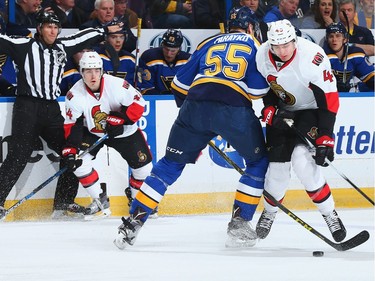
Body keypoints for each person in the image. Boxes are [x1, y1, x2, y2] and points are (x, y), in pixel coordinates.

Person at [113, 6, 270, 250]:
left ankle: (132, 223)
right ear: (251, 27)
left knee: (169, 165)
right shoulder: (255, 45)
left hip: (193, 107)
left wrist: (195, 118)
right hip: (232, 110)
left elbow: (179, 84)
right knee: (258, 163)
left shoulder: (208, 42)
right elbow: (258, 91)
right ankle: (239, 223)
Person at [0, 10, 122, 220]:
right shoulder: (25, 46)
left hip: (51, 110)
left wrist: (103, 30)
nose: (53, 31)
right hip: (27, 107)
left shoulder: (62, 47)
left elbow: (82, 37)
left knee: (71, 153)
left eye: (56, 27)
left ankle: (63, 202)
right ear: (39, 29)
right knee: (18, 155)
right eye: (48, 26)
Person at [254, 19, 347, 243]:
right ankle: (269, 212)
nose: (283, 50)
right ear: (270, 45)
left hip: (311, 111)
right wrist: (269, 108)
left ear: (294, 40)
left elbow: (329, 100)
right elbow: (267, 88)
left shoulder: (312, 57)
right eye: (277, 46)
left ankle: (329, 213)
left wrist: (325, 135)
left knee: (304, 164)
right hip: (282, 112)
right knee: (277, 170)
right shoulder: (261, 55)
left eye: (287, 45)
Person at [62, 51, 153, 219]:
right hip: (94, 133)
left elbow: (139, 103)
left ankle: (136, 202)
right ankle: (100, 201)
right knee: (79, 163)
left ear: (102, 70)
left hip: (124, 132)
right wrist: (71, 149)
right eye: (88, 71)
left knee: (144, 169)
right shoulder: (74, 95)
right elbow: (72, 124)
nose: (93, 75)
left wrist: (122, 120)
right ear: (81, 72)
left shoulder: (117, 85)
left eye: (96, 70)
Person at [138, 29, 191, 98]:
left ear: (179, 48)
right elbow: (146, 88)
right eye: (166, 49)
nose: (169, 54)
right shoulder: (149, 57)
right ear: (162, 45)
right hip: (155, 101)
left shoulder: (189, 60)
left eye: (173, 51)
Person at [323, 22, 374, 92]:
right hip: (329, 96)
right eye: (331, 36)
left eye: (338, 36)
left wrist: (354, 88)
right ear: (327, 39)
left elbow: (371, 78)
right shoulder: (322, 56)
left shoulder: (355, 54)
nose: (334, 40)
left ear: (345, 39)